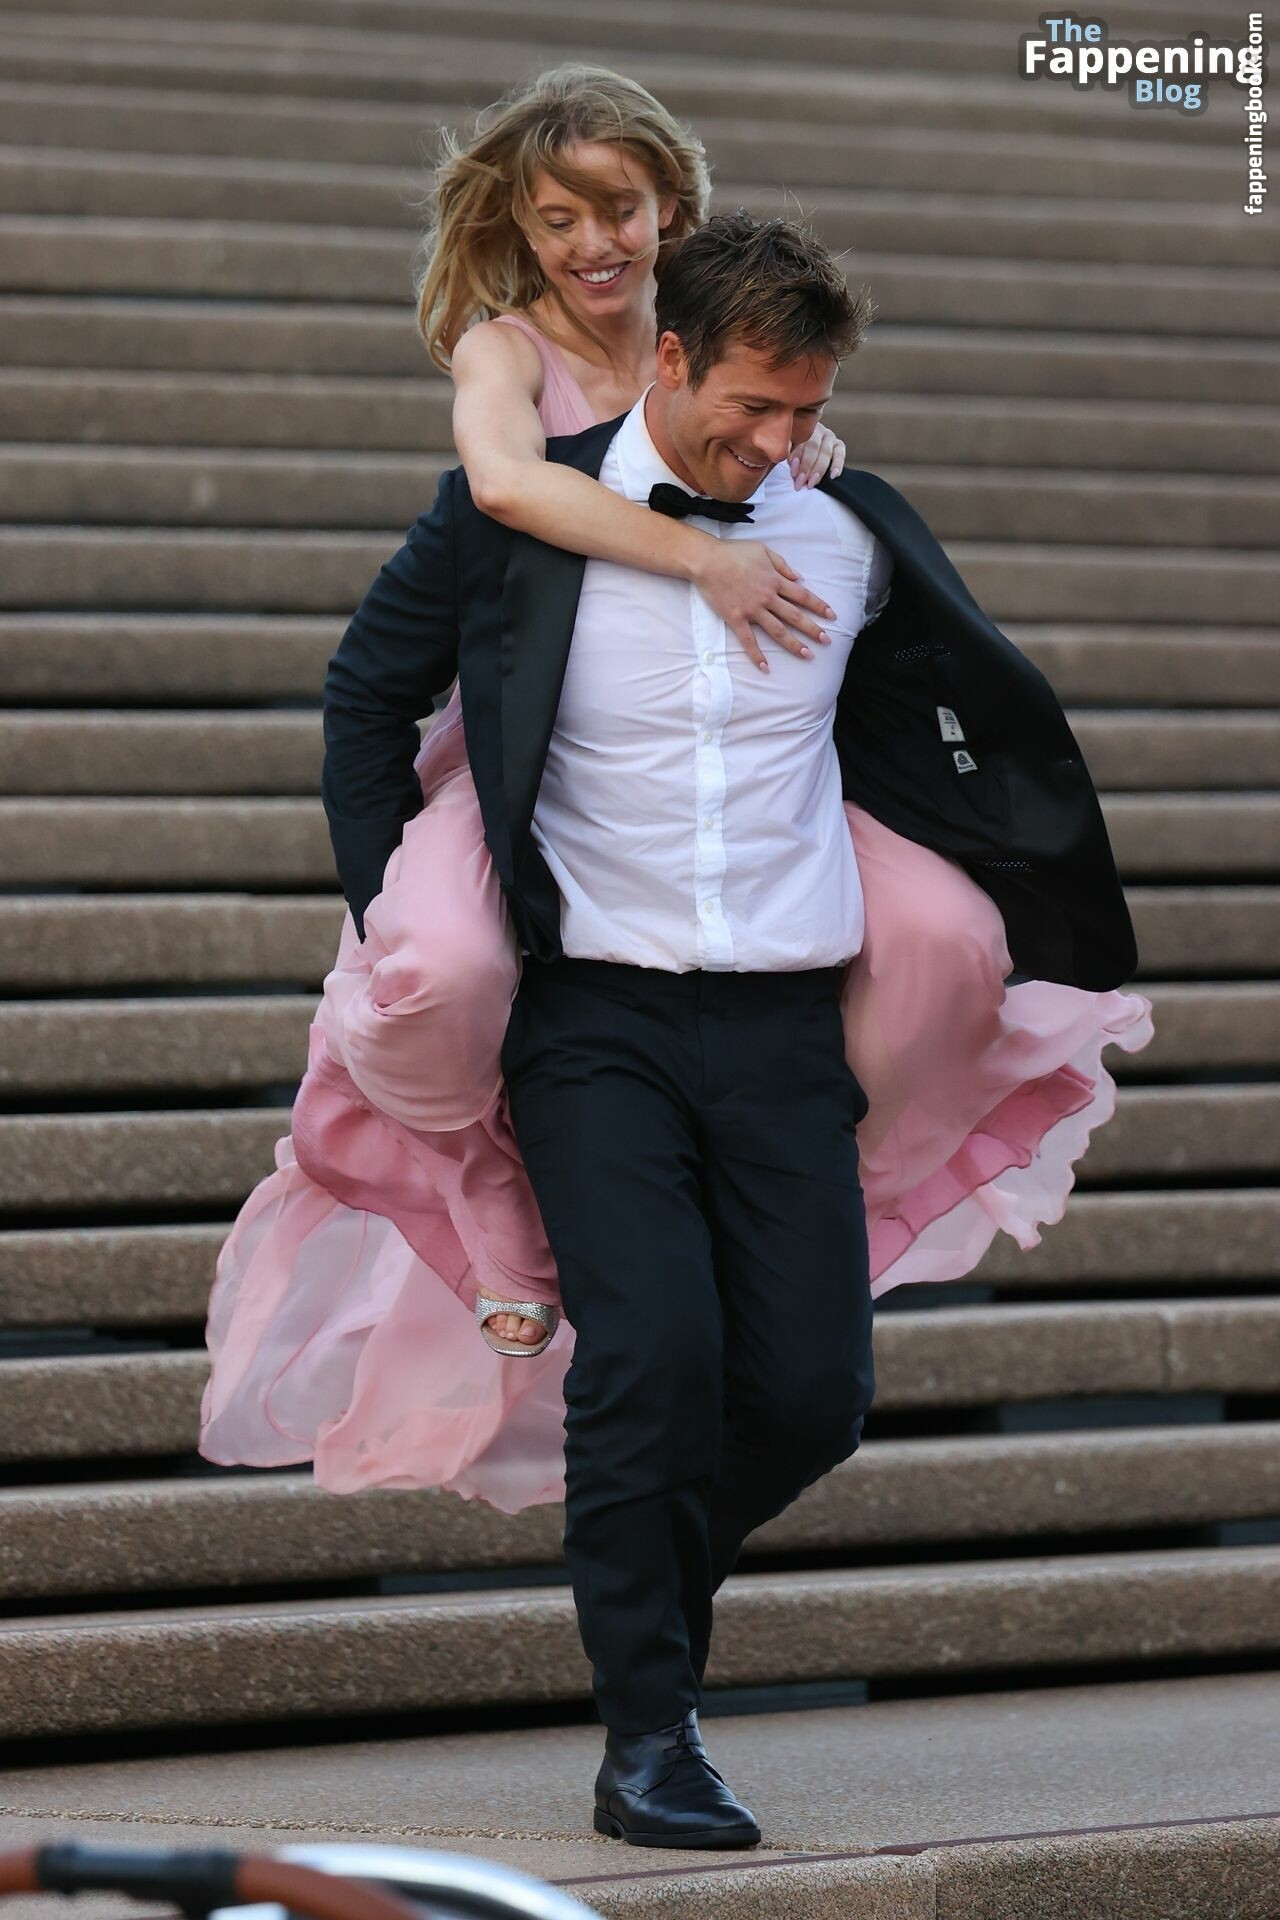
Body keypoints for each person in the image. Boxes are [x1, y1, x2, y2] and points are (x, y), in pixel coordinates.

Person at [206, 201, 1152, 1847]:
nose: (779, 441)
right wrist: (393, 903)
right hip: (595, 1023)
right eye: (753, 403)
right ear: (664, 356)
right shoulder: (521, 514)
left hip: (787, 1025)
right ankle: (651, 1738)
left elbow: (954, 720)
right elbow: (366, 694)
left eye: (808, 409)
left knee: (810, 1394)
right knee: (651, 1360)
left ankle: (635, 1581)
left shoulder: (850, 535)